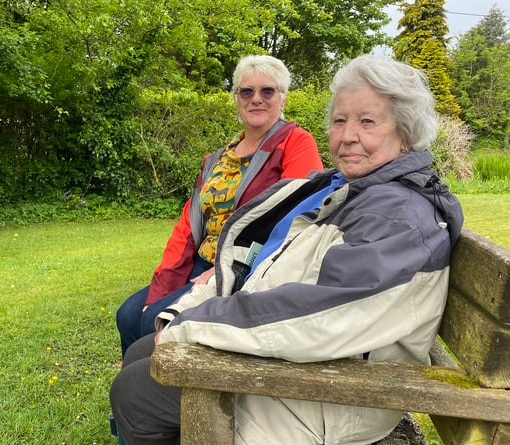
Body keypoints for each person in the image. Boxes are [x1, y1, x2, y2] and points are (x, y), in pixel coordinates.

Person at [109, 54, 464, 444]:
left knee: (133, 392)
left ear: (406, 132)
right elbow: (269, 258)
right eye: (340, 120)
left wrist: (196, 323)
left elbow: (326, 314)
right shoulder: (353, 191)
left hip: (332, 390)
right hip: (308, 354)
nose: (347, 136)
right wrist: (185, 306)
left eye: (368, 121)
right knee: (142, 346)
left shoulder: (397, 217)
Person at [115, 55, 324, 356]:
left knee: (153, 322)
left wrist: (225, 269)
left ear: (283, 98)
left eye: (268, 91)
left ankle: (162, 398)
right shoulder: (218, 159)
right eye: (246, 91)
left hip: (243, 267)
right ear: (236, 99)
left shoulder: (295, 143)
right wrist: (166, 278)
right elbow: (189, 224)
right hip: (200, 262)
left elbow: (294, 218)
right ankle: (136, 393)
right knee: (128, 314)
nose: (257, 99)